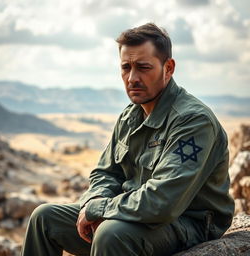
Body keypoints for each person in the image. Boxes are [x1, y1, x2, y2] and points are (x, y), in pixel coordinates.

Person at [21, 23, 234, 256]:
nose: (132, 78)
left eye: (143, 67)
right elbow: (105, 173)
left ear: (168, 68)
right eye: (126, 67)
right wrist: (99, 200)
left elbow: (162, 200)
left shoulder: (193, 121)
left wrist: (102, 209)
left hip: (186, 222)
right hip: (130, 215)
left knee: (111, 234)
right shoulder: (130, 115)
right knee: (44, 218)